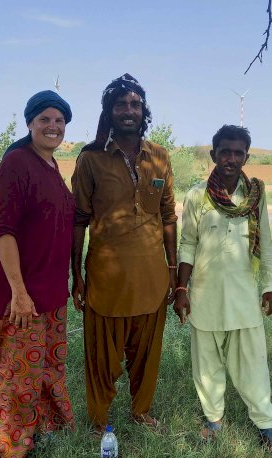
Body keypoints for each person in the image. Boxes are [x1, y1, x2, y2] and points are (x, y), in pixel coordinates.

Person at [71, 74, 177, 434]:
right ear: (109, 111)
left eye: (135, 104)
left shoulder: (159, 157)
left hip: (152, 276)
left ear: (144, 110)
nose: (128, 111)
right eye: (121, 105)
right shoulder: (91, 159)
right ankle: (99, 419)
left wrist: (173, 270)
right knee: (102, 355)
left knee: (147, 354)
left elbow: (167, 217)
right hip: (106, 278)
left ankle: (141, 412)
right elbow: (79, 220)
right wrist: (77, 276)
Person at [174, 125, 272, 449]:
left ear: (246, 157)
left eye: (238, 153)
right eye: (225, 152)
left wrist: (270, 285)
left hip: (242, 295)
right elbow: (187, 244)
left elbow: (265, 243)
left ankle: (265, 423)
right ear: (214, 155)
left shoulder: (255, 195)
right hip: (205, 294)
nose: (231, 158)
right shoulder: (197, 195)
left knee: (252, 363)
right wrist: (181, 289)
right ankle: (214, 419)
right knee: (206, 364)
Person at [0, 90, 76, 458]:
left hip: (52, 293)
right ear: (29, 123)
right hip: (22, 297)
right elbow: (2, 230)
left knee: (49, 368)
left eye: (59, 120)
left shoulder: (52, 165)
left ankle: (46, 429)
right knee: (18, 375)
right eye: (45, 119)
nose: (53, 126)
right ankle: (12, 457)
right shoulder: (16, 163)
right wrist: (19, 292)